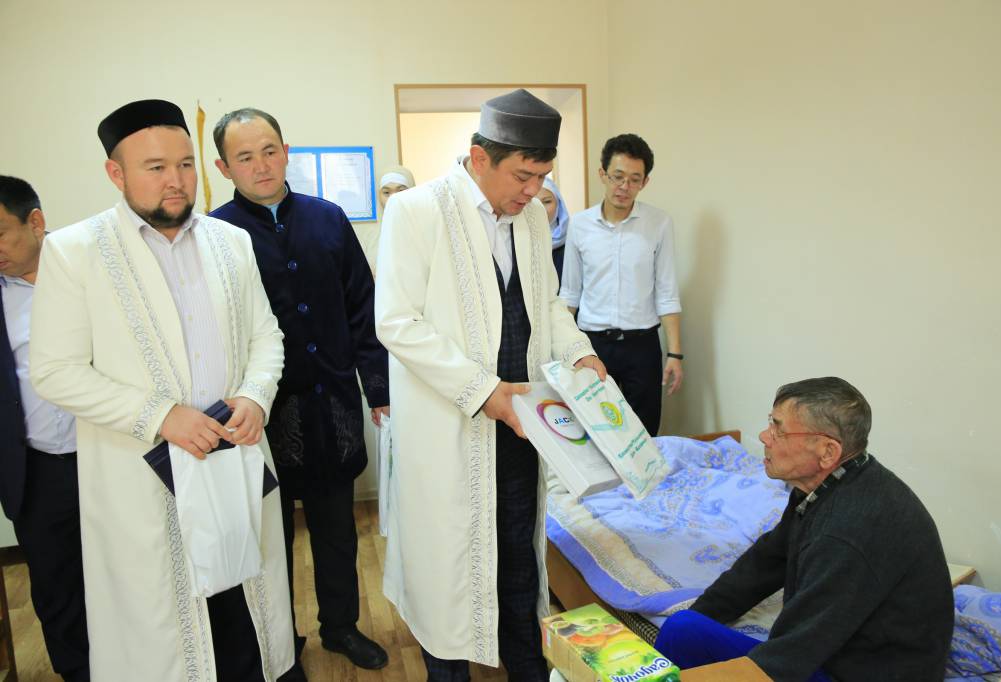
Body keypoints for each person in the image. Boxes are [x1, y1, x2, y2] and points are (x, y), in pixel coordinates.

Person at [29, 99, 297, 681]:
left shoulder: (231, 241)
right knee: (168, 634)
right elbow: (54, 370)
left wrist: (256, 395)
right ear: (116, 173)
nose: (175, 180)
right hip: (143, 475)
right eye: (155, 167)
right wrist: (161, 415)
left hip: (234, 456)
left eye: (184, 164)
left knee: (244, 619)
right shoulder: (75, 251)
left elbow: (266, 335)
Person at [375, 88, 605, 682]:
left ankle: (526, 666)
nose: (534, 191)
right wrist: (483, 391)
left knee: (517, 552)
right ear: (480, 157)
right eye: (523, 176)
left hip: (521, 423)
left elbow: (547, 304)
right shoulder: (417, 211)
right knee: (449, 565)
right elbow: (397, 322)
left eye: (542, 177)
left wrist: (580, 353)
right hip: (450, 427)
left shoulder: (531, 219)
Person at [210, 107, 390, 671]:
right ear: (223, 167)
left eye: (270, 151)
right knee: (270, 538)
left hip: (332, 403)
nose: (261, 165)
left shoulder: (327, 218)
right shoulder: (215, 235)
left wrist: (378, 388)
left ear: (286, 152)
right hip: (260, 416)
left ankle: (341, 627)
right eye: (245, 157)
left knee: (337, 528)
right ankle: (279, 642)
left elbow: (363, 307)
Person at [655, 377, 954, 682]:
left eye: (779, 430)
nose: (764, 437)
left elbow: (787, 659)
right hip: (842, 653)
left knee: (684, 637)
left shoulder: (845, 534)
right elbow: (767, 562)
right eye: (770, 423)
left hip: (864, 672)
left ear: (827, 452)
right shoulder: (829, 484)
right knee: (685, 628)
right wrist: (702, 613)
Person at [0, 176, 89, 681]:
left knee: (133, 575)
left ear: (35, 221)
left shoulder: (87, 271)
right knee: (57, 588)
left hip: (109, 458)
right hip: (36, 471)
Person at [559, 133, 683, 436]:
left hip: (643, 347)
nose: (624, 186)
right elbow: (570, 293)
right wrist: (563, 350)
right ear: (602, 174)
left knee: (644, 433)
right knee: (595, 432)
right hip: (592, 345)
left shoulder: (659, 223)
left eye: (634, 179)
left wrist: (675, 354)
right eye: (617, 177)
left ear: (645, 182)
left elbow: (667, 292)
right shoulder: (579, 225)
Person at [536, 176, 569, 283]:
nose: (540, 208)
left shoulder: (573, 239)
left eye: (547, 202)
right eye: (533, 203)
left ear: (558, 204)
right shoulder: (516, 240)